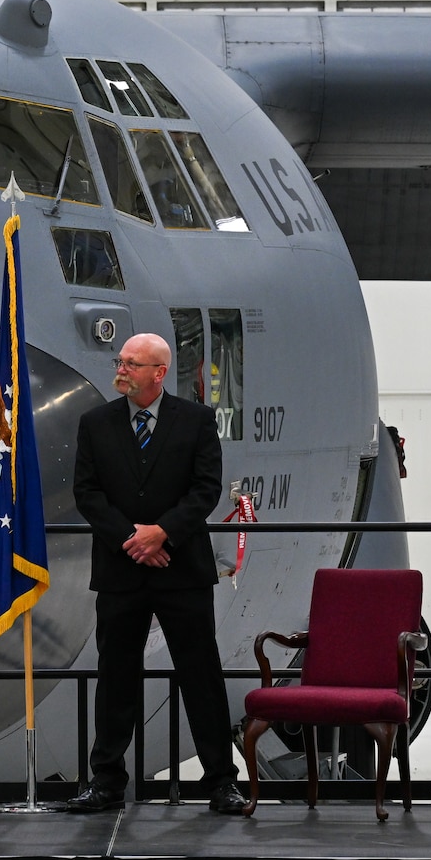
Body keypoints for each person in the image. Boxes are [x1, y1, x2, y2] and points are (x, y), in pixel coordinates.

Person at [62, 332, 247, 815]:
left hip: (181, 570)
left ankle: (222, 783)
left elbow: (205, 490)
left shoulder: (197, 422)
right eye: (120, 361)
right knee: (115, 676)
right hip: (122, 572)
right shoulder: (95, 423)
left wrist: (162, 534)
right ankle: (106, 782)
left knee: (200, 676)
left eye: (131, 363)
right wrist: (135, 540)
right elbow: (88, 494)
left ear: (159, 373)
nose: (120, 369)